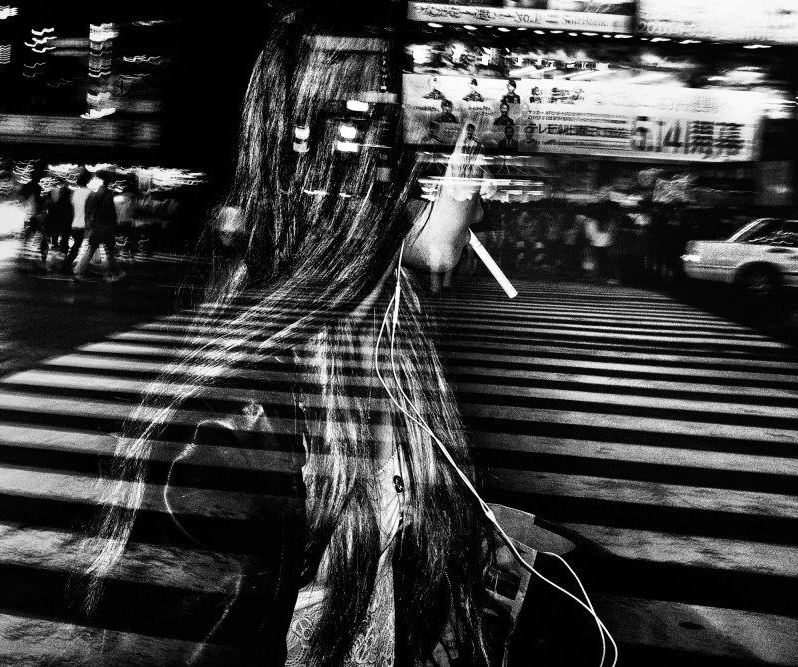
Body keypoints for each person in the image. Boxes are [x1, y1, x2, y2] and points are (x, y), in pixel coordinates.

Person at [79, 6, 600, 666]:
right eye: (460, 154)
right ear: (379, 172)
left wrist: (458, 551)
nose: (477, 191)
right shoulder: (228, 429)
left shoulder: (382, 357)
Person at [74, 170, 122, 282]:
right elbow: (110, 212)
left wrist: (88, 224)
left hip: (95, 226)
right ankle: (115, 273)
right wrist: (113, 225)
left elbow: (87, 210)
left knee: (93, 249)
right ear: (107, 182)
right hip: (104, 227)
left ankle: (80, 271)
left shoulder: (93, 194)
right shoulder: (107, 195)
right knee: (108, 251)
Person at [62, 169, 91, 274]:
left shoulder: (75, 193)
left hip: (75, 223)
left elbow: (73, 208)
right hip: (85, 224)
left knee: (77, 246)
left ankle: (68, 265)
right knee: (80, 246)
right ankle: (67, 265)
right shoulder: (90, 193)